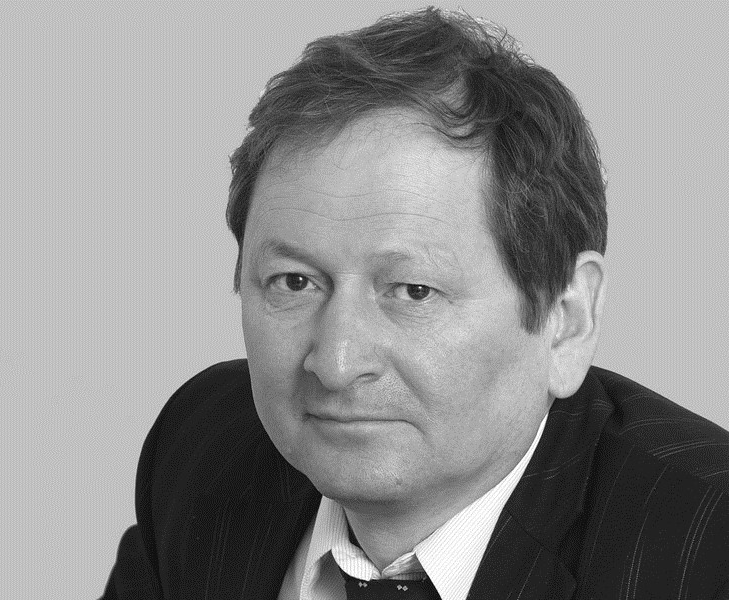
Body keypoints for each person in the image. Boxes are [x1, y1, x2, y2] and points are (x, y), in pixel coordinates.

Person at [101, 7, 729, 599]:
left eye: (413, 291)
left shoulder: (706, 550)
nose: (336, 364)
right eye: (295, 282)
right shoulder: (202, 454)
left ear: (565, 321)